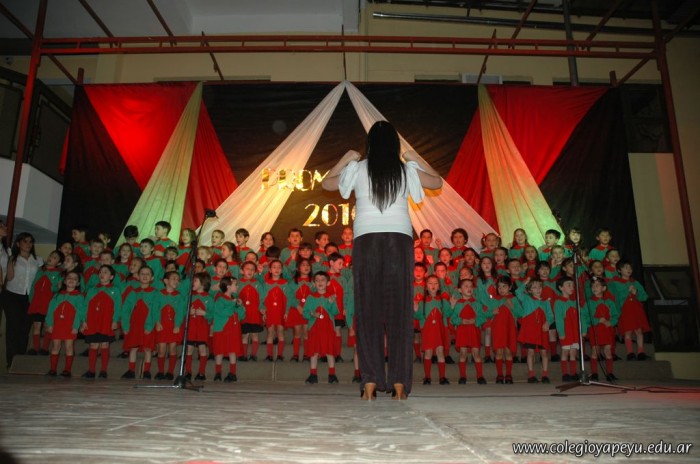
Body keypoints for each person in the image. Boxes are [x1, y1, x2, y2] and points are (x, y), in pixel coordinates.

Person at [323, 120, 442, 401]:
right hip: (398, 240)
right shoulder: (405, 169)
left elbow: (327, 182)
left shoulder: (358, 168)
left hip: (367, 241)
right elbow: (437, 181)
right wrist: (414, 156)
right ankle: (399, 383)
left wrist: (346, 157)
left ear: (370, 144)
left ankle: (370, 381)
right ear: (395, 144)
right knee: (400, 311)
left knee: (368, 311)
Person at [2, 232, 43, 368]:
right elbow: (9, 278)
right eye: (25, 241)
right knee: (13, 327)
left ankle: (19, 361)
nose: (28, 244)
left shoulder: (38, 260)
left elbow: (41, 279)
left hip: (30, 297)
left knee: (25, 329)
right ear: (18, 244)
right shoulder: (13, 258)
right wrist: (10, 260)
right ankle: (10, 361)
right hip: (13, 295)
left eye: (30, 241)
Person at [81, 265, 122, 379]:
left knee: (104, 344)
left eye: (105, 272)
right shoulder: (92, 290)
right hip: (92, 321)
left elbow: (118, 307)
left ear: (111, 276)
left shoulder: (115, 290)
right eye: (100, 272)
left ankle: (103, 371)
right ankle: (91, 371)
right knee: (93, 345)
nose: (102, 274)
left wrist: (115, 320)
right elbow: (85, 306)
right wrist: (83, 321)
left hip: (106, 322)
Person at [608, 261, 650, 361]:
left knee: (639, 331)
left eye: (630, 268)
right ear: (619, 270)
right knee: (628, 331)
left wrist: (636, 293)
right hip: (625, 310)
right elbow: (615, 297)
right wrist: (627, 291)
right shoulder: (615, 283)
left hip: (636, 309)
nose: (629, 270)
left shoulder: (635, 282)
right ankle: (630, 353)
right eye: (626, 268)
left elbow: (644, 296)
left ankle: (641, 352)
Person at [302, 271, 339, 385]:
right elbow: (305, 313)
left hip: (328, 328)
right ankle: (313, 374)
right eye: (317, 280)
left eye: (323, 280)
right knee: (314, 351)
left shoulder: (331, 296)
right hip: (315, 328)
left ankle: (332, 374)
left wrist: (331, 303)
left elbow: (335, 312)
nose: (320, 282)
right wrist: (312, 314)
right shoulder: (310, 297)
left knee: (329, 351)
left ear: (328, 283)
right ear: (314, 283)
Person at [45, 270, 84, 377]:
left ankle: (67, 370)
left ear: (78, 283)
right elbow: (50, 310)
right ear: (65, 281)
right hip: (57, 325)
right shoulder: (57, 296)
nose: (71, 280)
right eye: (69, 278)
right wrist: (49, 324)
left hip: (70, 325)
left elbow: (80, 313)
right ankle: (53, 369)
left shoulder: (79, 297)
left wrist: (76, 326)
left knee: (69, 346)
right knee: (55, 346)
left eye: (75, 279)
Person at [514, 278, 553, 383]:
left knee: (544, 353)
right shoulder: (526, 299)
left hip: (541, 330)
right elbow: (517, 292)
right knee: (530, 352)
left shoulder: (546, 302)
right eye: (534, 287)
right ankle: (531, 374)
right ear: (529, 290)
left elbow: (550, 316)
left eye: (539, 287)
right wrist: (525, 283)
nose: (538, 289)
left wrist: (548, 322)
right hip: (530, 330)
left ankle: (545, 374)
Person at [449, 278, 487, 384]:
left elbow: (482, 317)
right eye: (466, 286)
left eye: (471, 286)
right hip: (462, 331)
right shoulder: (458, 304)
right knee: (463, 353)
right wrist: (461, 321)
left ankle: (480, 376)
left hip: (473, 330)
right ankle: (462, 376)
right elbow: (453, 318)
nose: (469, 288)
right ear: (460, 290)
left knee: (476, 353)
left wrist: (475, 321)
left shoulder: (476, 303)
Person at [27, 250, 64, 355]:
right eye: (51, 255)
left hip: (48, 304)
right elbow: (34, 286)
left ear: (59, 263)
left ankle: (45, 348)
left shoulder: (58, 273)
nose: (51, 258)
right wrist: (31, 299)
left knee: (48, 326)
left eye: (55, 257)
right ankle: (36, 348)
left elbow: (55, 289)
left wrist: (57, 286)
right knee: (36, 326)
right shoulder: (40, 270)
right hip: (36, 303)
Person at [583, 276, 620, 381]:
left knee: (608, 351)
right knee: (595, 351)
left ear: (604, 288)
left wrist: (610, 322)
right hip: (595, 330)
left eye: (597, 286)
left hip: (607, 329)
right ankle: (594, 373)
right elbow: (585, 317)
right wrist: (597, 320)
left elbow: (615, 315)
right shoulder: (589, 303)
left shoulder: (609, 302)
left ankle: (609, 373)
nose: (594, 288)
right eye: (592, 286)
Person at [211, 276, 245, 382]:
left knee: (232, 350)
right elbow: (223, 312)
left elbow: (241, 316)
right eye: (235, 284)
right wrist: (232, 304)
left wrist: (240, 306)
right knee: (220, 350)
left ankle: (232, 373)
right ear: (228, 286)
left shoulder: (234, 300)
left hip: (233, 329)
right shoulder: (220, 299)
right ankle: (218, 372)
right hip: (222, 328)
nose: (237, 286)